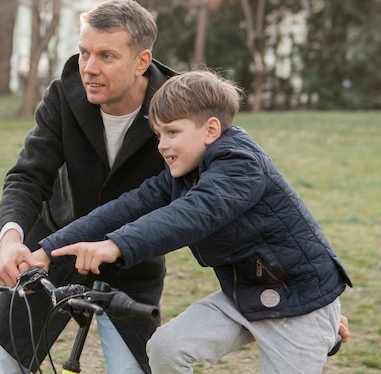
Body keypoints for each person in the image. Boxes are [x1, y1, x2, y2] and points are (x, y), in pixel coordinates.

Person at [35, 70, 352, 373]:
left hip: (299, 304)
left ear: (211, 130)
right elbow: (126, 206)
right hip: (246, 294)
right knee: (166, 347)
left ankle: (324, 326)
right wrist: (48, 249)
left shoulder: (241, 164)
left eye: (173, 132)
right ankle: (326, 327)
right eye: (159, 135)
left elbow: (192, 214)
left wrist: (116, 244)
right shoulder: (183, 175)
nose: (162, 144)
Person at [0, 0, 178, 373]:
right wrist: (11, 239)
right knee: (6, 367)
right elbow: (28, 175)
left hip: (131, 262)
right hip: (49, 254)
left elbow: (210, 202)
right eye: (84, 53)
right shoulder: (63, 94)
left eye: (106, 56)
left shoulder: (177, 107)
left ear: (142, 62)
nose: (89, 68)